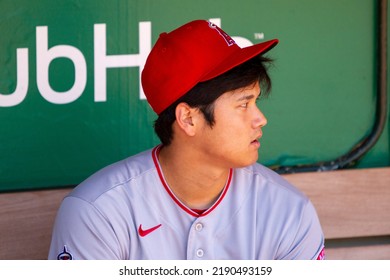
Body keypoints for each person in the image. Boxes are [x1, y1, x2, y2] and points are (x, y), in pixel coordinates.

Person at [48, 19, 325, 260]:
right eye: (243, 104)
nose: (260, 119)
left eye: (256, 102)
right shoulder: (98, 212)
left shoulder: (288, 210)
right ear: (188, 119)